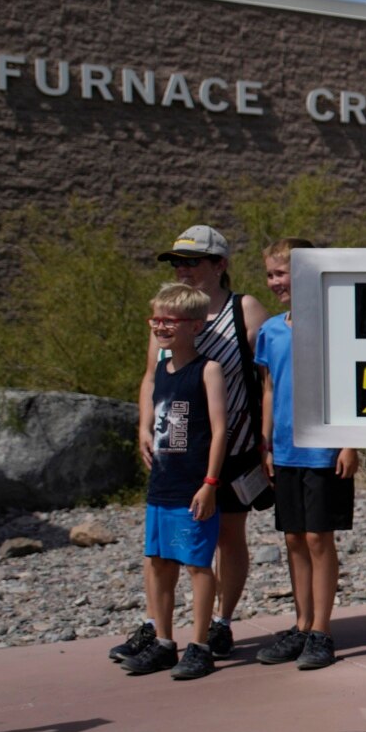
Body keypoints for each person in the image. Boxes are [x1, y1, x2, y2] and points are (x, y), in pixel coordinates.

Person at [138, 224, 268, 658]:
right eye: (177, 262)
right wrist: (143, 426)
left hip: (232, 445)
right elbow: (150, 376)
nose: (183, 269)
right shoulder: (167, 313)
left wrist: (267, 437)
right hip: (176, 449)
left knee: (229, 534)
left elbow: (267, 376)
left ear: (220, 265)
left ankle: (220, 622)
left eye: (192, 261)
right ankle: (161, 630)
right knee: (168, 544)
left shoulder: (243, 309)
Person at [253, 238, 358, 670]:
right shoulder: (271, 331)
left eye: (283, 273)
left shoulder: (336, 325)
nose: (276, 282)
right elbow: (269, 388)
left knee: (319, 538)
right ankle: (300, 625)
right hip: (284, 450)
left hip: (324, 450)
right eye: (271, 274)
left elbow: (354, 384)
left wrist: (350, 441)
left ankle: (321, 630)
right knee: (294, 537)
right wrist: (266, 444)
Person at [113, 283, 227, 679]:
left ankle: (200, 645)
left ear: (194, 325)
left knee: (197, 564)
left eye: (168, 320)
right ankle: (163, 641)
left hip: (194, 485)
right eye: (155, 319)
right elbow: (157, 412)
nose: (160, 327)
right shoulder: (161, 368)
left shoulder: (207, 369)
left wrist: (210, 483)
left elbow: (219, 430)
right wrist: (143, 429)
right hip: (161, 483)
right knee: (158, 561)